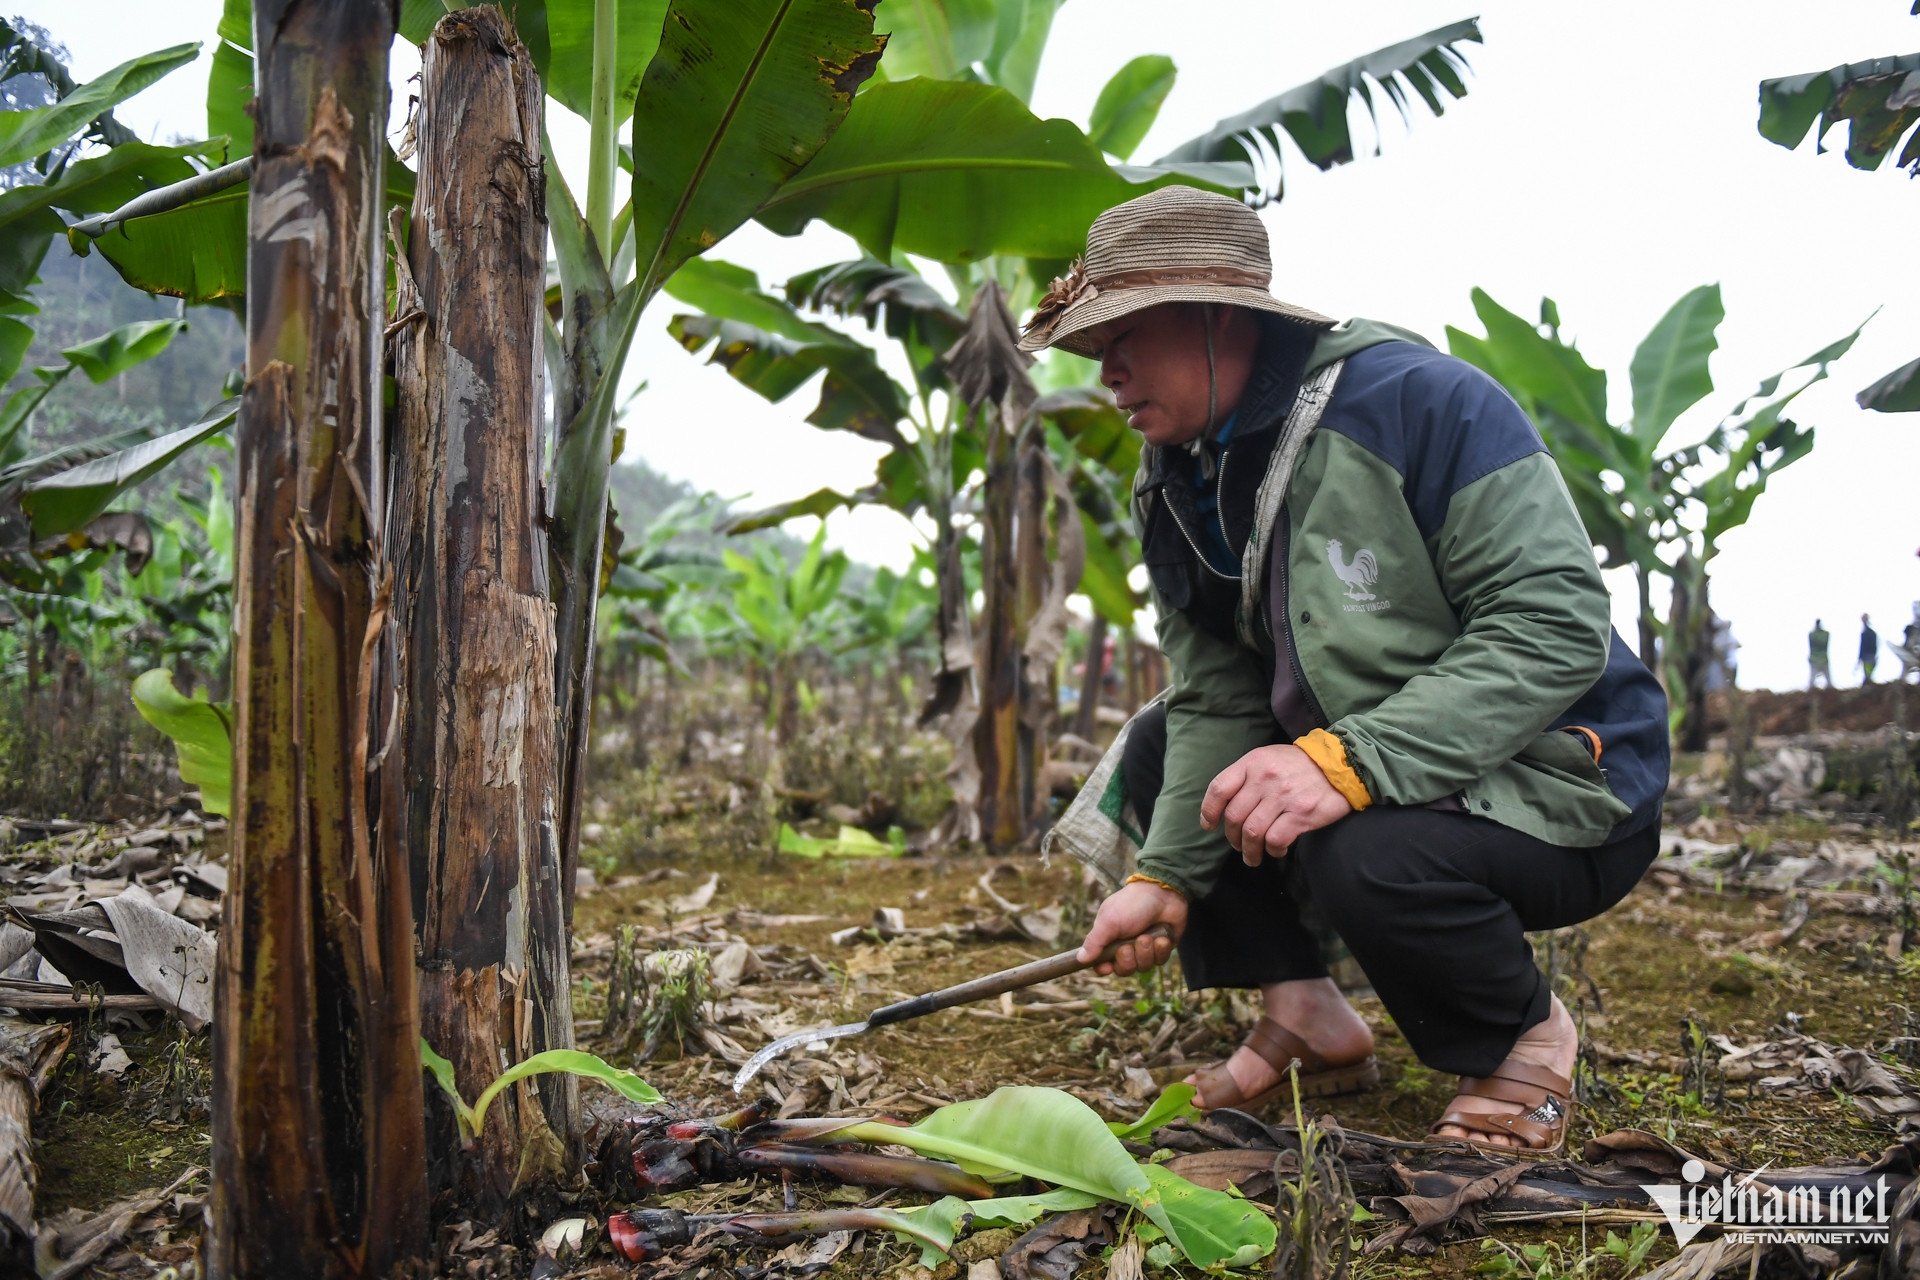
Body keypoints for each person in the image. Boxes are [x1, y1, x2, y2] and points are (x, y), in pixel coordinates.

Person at [1024, 186, 1668, 1155]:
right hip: (1392, 761)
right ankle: (1311, 1017)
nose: (1106, 370)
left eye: (1126, 335)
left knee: (1362, 843)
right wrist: (1165, 875)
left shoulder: (1419, 403)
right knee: (1164, 743)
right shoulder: (1175, 479)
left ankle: (1524, 1038)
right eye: (1093, 346)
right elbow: (1218, 696)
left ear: (1220, 316)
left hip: (1561, 778)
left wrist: (1343, 761)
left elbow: (1553, 624)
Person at [1808, 620, 1832, 690]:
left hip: (1816, 659)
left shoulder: (1812, 635)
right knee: (1813, 681)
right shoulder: (1825, 634)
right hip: (1821, 659)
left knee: (1812, 681)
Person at [1860, 614, 1879, 686]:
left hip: (1869, 657)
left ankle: (1868, 687)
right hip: (1869, 657)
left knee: (1868, 675)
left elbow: (1863, 646)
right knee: (1868, 675)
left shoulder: (1868, 633)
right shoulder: (1868, 632)